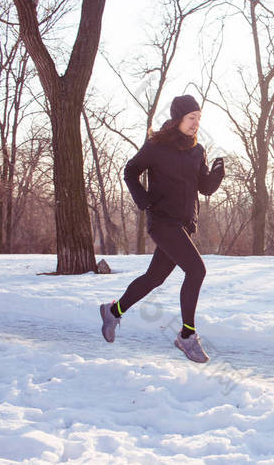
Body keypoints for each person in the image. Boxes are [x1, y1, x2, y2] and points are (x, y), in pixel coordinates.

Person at [99, 94, 224, 363]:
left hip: (184, 224)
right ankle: (187, 336)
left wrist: (217, 172)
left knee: (155, 278)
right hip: (163, 221)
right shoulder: (156, 146)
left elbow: (205, 188)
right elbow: (131, 170)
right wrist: (142, 200)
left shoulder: (196, 150)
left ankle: (114, 311)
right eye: (192, 118)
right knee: (197, 270)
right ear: (178, 118)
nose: (196, 124)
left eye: (199, 118)